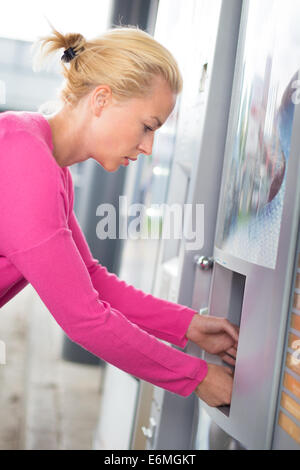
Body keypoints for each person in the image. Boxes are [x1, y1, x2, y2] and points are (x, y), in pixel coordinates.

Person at [0, 26, 238, 407]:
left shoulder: (46, 162)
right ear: (102, 99)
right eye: (147, 127)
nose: (148, 147)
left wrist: (188, 325)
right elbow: (85, 318)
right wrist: (198, 377)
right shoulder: (23, 159)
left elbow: (89, 279)